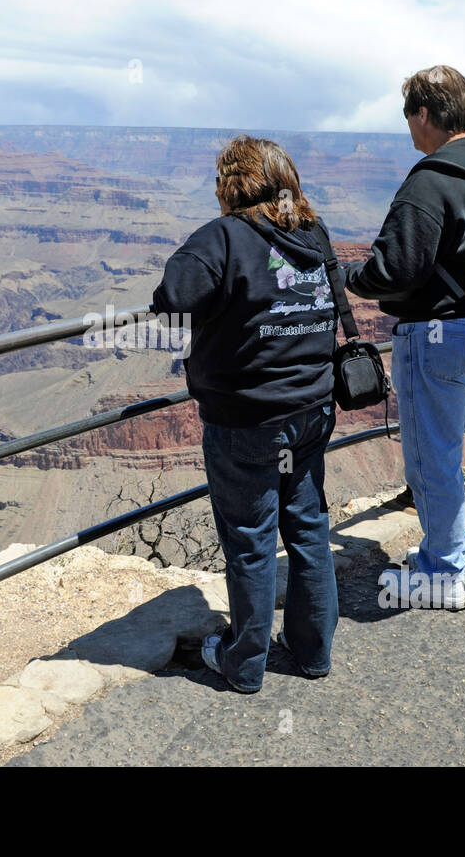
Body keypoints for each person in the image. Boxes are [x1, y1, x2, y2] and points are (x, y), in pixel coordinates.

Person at [150, 135, 339, 694]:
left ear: (231, 185)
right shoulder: (312, 233)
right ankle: (312, 653)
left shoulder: (225, 237)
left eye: (218, 182)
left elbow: (173, 296)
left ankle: (244, 663)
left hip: (248, 422)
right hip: (312, 412)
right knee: (307, 529)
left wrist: (200, 244)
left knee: (251, 541)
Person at [343, 65, 465, 610]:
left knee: (432, 457)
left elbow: (393, 270)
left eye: (408, 117)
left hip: (438, 338)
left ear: (424, 115)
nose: (409, 130)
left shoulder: (430, 178)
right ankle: (446, 549)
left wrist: (347, 278)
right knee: (444, 448)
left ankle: (446, 574)